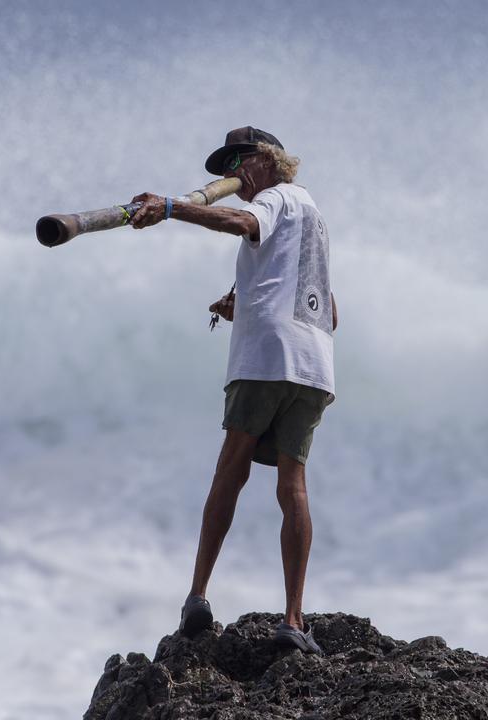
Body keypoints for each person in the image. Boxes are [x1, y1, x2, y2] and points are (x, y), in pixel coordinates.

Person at [128, 126, 336, 655]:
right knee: (294, 487)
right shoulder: (313, 216)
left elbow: (243, 222)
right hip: (313, 365)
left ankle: (197, 596)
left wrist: (173, 208)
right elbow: (329, 311)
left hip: (265, 358)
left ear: (267, 160)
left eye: (237, 161)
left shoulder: (273, 197)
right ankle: (294, 620)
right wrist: (240, 305)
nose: (230, 175)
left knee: (232, 468)